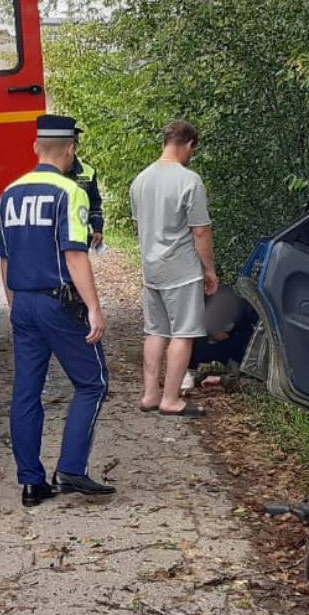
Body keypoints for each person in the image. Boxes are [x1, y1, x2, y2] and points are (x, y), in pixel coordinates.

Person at [0, 114, 115, 508]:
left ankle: (31, 483)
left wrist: (14, 306)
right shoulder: (68, 192)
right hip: (59, 304)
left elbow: (4, 257)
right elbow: (74, 254)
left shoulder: (10, 192)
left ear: (35, 148)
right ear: (72, 149)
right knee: (93, 382)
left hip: (23, 302)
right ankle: (71, 469)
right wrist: (94, 308)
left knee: (26, 392)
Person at [130, 119, 217, 417]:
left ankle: (150, 395)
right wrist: (209, 270)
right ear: (189, 145)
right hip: (181, 269)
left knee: (155, 331)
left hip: (151, 269)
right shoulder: (189, 180)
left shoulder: (140, 180)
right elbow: (201, 231)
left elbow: (139, 226)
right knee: (183, 333)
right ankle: (171, 399)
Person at [68, 154, 104, 249]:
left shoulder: (88, 172)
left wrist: (97, 228)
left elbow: (94, 203)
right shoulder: (46, 172)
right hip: (51, 237)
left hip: (78, 239)